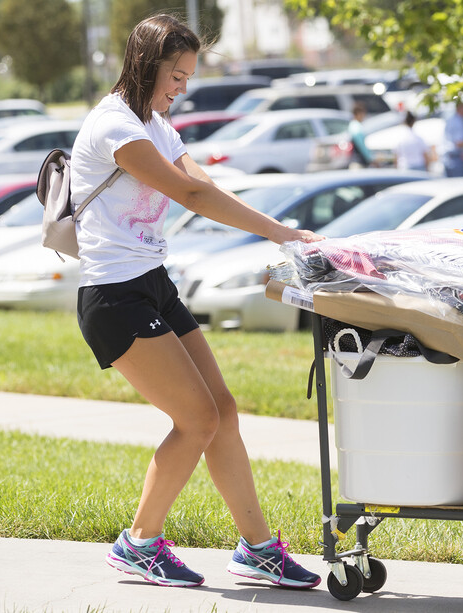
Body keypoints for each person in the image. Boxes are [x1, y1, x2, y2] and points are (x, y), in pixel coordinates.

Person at [69, 14, 323, 590]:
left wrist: (280, 227)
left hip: (153, 283)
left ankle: (258, 550)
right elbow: (186, 195)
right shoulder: (114, 126)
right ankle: (139, 543)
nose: (180, 87)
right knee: (197, 418)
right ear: (145, 64)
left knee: (223, 411)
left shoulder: (156, 122)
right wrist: (282, 234)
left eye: (187, 76)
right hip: (114, 295)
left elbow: (201, 181)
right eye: (175, 75)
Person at [441, 100, 463, 177]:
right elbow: (460, 142)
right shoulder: (459, 121)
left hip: (447, 157)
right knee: (459, 184)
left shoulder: (451, 119)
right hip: (454, 157)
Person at [347, 102, 374, 168]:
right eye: (363, 113)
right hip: (358, 162)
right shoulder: (356, 127)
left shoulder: (353, 125)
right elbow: (361, 145)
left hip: (355, 160)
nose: (364, 116)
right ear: (358, 113)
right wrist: (369, 158)